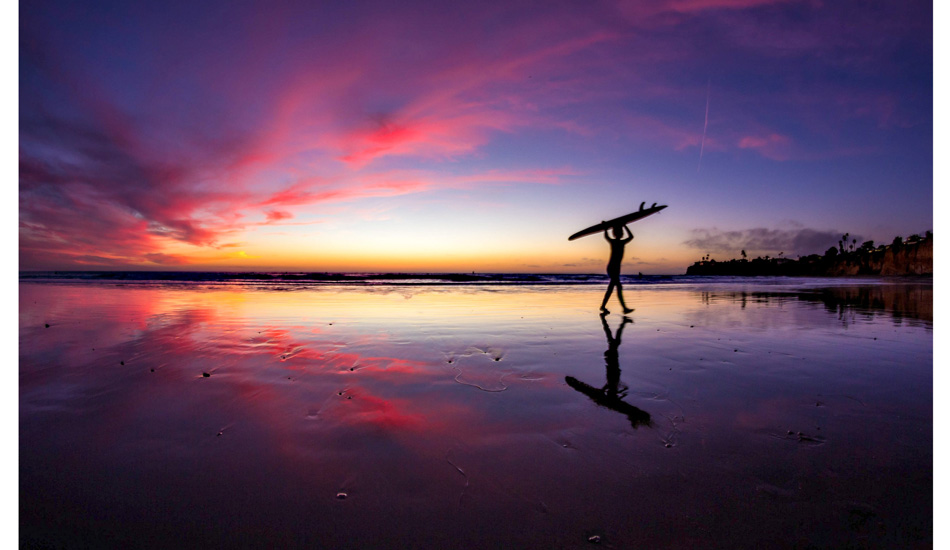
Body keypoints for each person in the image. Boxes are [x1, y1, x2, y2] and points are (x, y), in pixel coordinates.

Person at [600, 223, 633, 314]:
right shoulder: (614, 241)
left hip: (616, 268)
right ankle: (624, 308)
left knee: (611, 288)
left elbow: (631, 237)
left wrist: (624, 225)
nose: (621, 233)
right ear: (615, 233)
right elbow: (607, 236)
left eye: (621, 232)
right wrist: (605, 228)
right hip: (612, 267)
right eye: (620, 232)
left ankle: (603, 306)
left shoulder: (622, 242)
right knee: (618, 286)